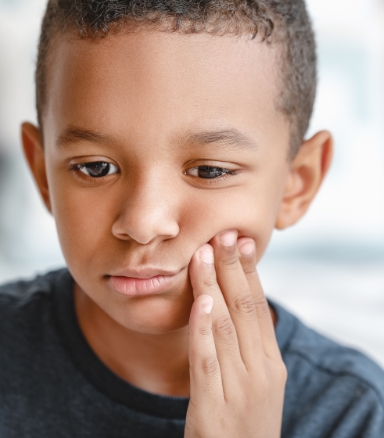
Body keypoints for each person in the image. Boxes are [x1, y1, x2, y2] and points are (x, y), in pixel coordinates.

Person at [0, 0, 383, 436]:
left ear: (297, 182)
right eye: (95, 168)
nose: (143, 223)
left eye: (209, 171)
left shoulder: (354, 415)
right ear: (42, 173)